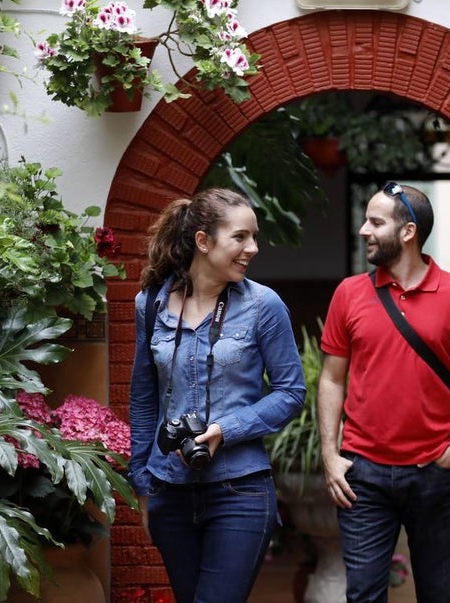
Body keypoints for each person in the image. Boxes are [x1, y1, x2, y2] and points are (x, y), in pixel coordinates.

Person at [317, 182, 450, 603]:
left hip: (437, 473)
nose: (364, 230)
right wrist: (330, 456)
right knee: (363, 596)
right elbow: (331, 378)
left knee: (440, 595)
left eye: (375, 222)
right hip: (363, 476)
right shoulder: (349, 294)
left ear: (407, 232)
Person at [128, 187, 306, 603]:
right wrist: (142, 484)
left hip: (240, 490)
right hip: (168, 490)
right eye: (240, 237)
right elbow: (142, 397)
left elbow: (290, 392)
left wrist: (226, 429)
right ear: (203, 242)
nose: (253, 248)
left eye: (254, 237)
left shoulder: (264, 305)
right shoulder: (150, 304)